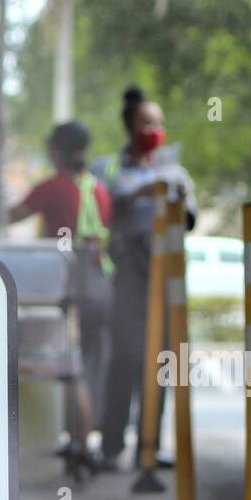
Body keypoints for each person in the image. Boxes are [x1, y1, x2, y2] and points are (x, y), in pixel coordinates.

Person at [93, 86, 196, 471]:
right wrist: (143, 190)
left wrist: (177, 195)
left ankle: (149, 447)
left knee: (160, 361)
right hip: (127, 274)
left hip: (165, 274)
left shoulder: (175, 172)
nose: (154, 129)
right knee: (125, 358)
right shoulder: (109, 168)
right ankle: (111, 446)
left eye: (159, 123)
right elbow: (105, 203)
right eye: (146, 122)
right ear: (129, 126)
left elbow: (189, 219)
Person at [8, 120, 113, 456]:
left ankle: (80, 445)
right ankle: (86, 438)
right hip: (100, 284)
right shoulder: (97, 189)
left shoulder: (54, 187)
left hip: (70, 288)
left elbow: (11, 215)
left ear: (56, 151)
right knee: (90, 363)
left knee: (70, 365)